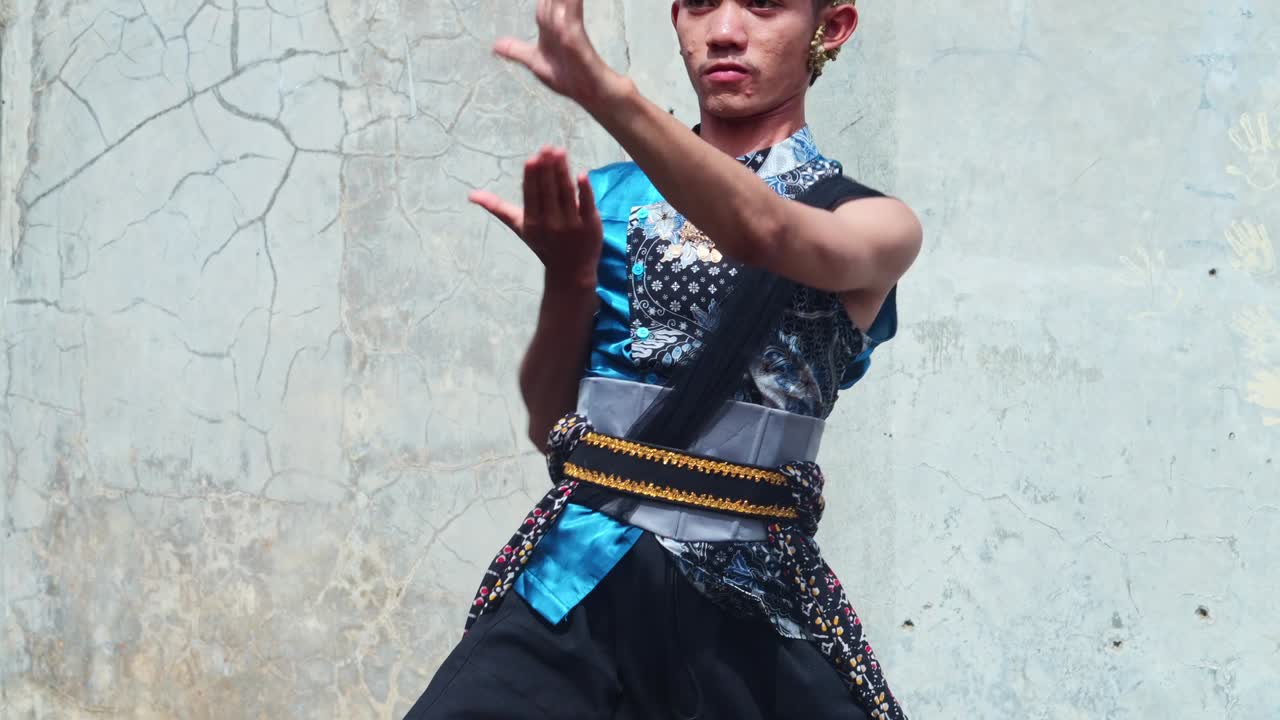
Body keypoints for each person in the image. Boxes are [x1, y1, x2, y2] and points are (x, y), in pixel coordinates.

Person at [405, 1, 922, 718]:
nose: (725, 31)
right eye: (700, 3)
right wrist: (570, 279)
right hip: (578, 578)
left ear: (829, 29)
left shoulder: (872, 222)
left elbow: (765, 232)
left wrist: (605, 92)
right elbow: (552, 429)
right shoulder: (609, 199)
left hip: (751, 604)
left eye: (764, 4)